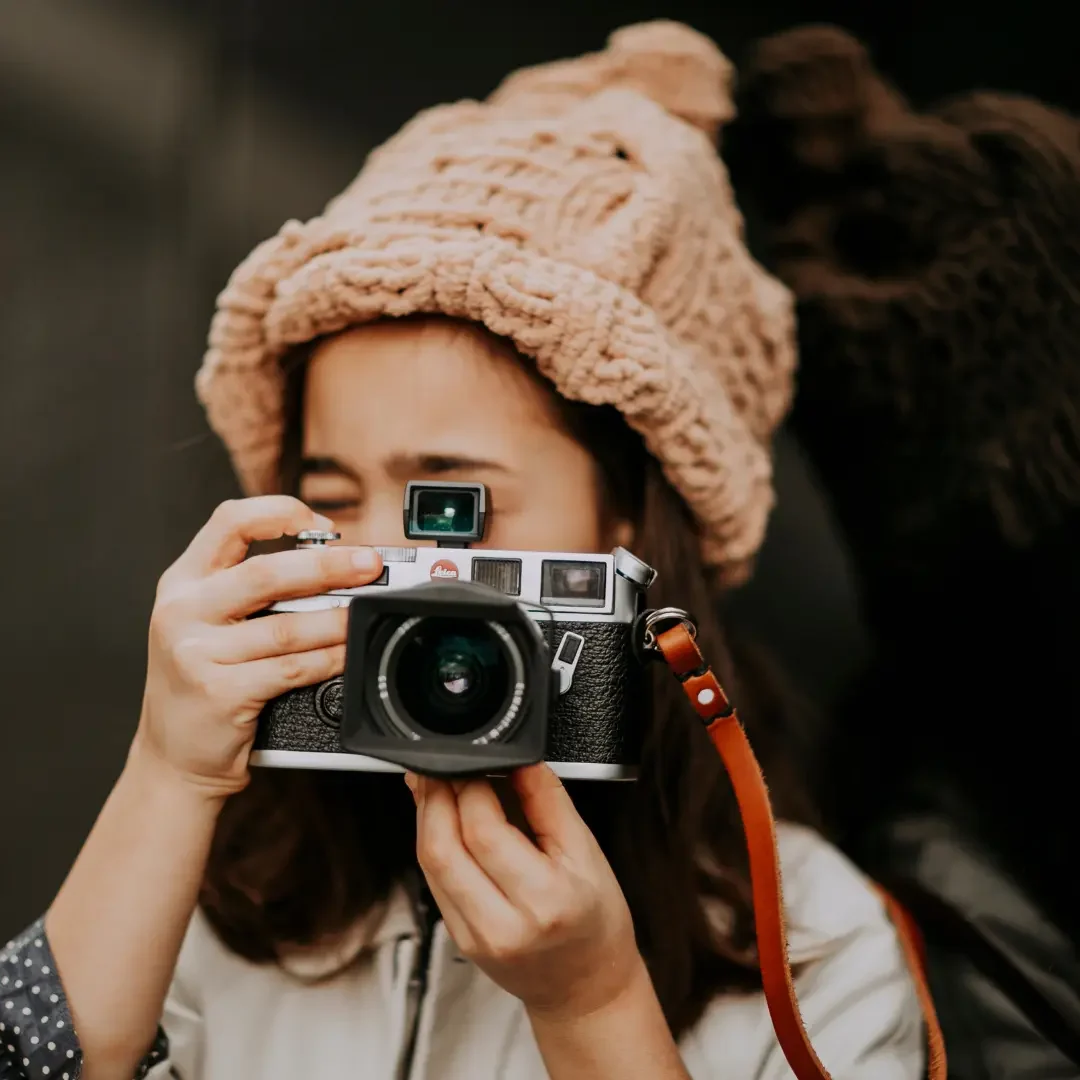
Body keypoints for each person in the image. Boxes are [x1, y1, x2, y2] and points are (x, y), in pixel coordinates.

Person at [0, 21, 924, 1080]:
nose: (398, 572)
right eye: (332, 500)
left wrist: (592, 1004)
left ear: (628, 532)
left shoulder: (813, 940)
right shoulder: (223, 894)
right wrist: (164, 781)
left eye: (454, 511)